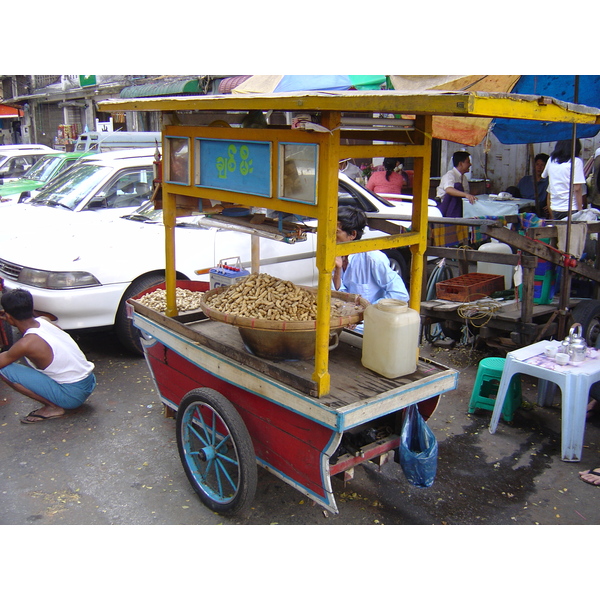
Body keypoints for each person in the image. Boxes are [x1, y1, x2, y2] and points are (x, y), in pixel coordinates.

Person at [0, 288, 96, 424]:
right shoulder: (45, 321)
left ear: (9, 317)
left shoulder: (27, 343)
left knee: (5, 370)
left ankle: (53, 407)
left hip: (71, 396)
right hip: (89, 382)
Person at [333, 206, 409, 333]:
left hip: (370, 328)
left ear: (352, 234)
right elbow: (338, 294)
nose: (330, 237)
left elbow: (400, 294)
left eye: (335, 232)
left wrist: (365, 312)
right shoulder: (334, 257)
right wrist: (338, 270)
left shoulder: (373, 258)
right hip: (344, 325)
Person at [541, 139, 585, 220]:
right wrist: (580, 211)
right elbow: (577, 188)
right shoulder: (576, 161)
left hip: (555, 207)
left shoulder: (551, 160)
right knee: (571, 232)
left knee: (559, 231)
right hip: (571, 208)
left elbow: (544, 176)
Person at [436, 151, 478, 217]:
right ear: (461, 164)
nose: (470, 164)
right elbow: (449, 190)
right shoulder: (450, 175)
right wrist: (466, 195)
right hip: (444, 207)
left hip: (457, 207)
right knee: (457, 186)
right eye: (468, 162)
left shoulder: (464, 178)